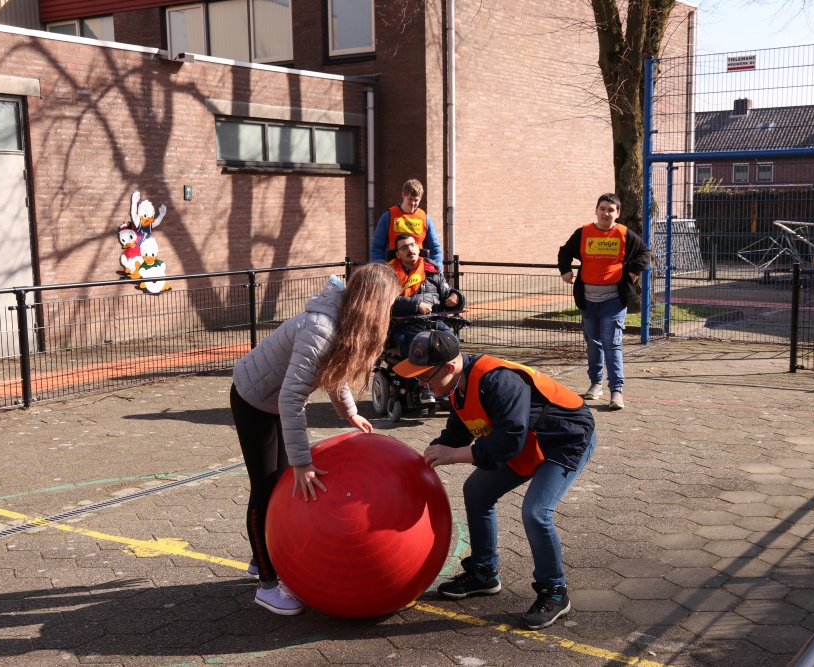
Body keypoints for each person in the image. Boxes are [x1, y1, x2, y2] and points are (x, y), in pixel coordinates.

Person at [395, 330, 596, 630]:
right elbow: (457, 434)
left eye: (424, 376)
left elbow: (508, 441)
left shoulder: (499, 382)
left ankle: (555, 591)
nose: (422, 384)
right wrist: (419, 462)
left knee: (536, 513)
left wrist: (457, 455)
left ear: (449, 367)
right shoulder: (458, 387)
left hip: (565, 439)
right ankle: (483, 573)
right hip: (527, 440)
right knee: (476, 491)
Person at [230, 263, 401, 615]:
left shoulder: (344, 322)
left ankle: (261, 558)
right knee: (266, 488)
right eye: (390, 303)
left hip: (274, 401)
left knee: (280, 487)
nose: (390, 311)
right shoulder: (321, 328)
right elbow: (291, 399)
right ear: (374, 302)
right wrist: (302, 462)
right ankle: (266, 585)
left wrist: (349, 412)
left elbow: (335, 371)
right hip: (254, 399)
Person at [557, 193, 650, 410]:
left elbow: (644, 253)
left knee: (612, 343)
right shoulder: (583, 233)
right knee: (593, 343)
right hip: (588, 301)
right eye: (602, 209)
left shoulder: (624, 233)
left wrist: (634, 271)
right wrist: (565, 270)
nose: (606, 213)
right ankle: (595, 384)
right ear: (596, 211)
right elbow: (565, 252)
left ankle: (616, 391)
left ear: (618, 213)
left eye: (611, 210)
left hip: (613, 301)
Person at [370, 179, 444, 270]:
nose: (413, 203)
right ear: (403, 195)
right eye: (410, 199)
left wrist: (438, 271)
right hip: (392, 270)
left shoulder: (425, 220)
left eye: (416, 200)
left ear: (420, 198)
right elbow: (377, 248)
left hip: (418, 271)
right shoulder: (388, 217)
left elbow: (435, 250)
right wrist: (380, 271)